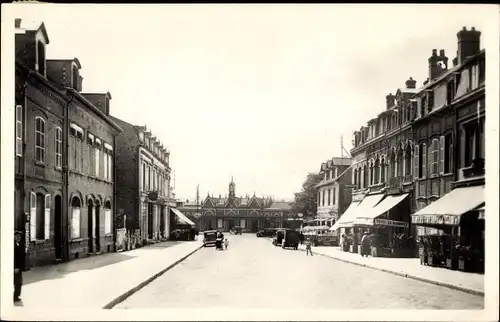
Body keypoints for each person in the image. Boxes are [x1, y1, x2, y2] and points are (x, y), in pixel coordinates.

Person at [14, 231, 24, 304]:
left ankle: (16, 296)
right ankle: (15, 297)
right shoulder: (13, 246)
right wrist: (15, 267)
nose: (18, 238)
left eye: (19, 237)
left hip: (19, 268)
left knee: (19, 282)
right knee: (17, 282)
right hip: (16, 268)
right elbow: (13, 258)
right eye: (17, 236)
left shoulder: (19, 245)